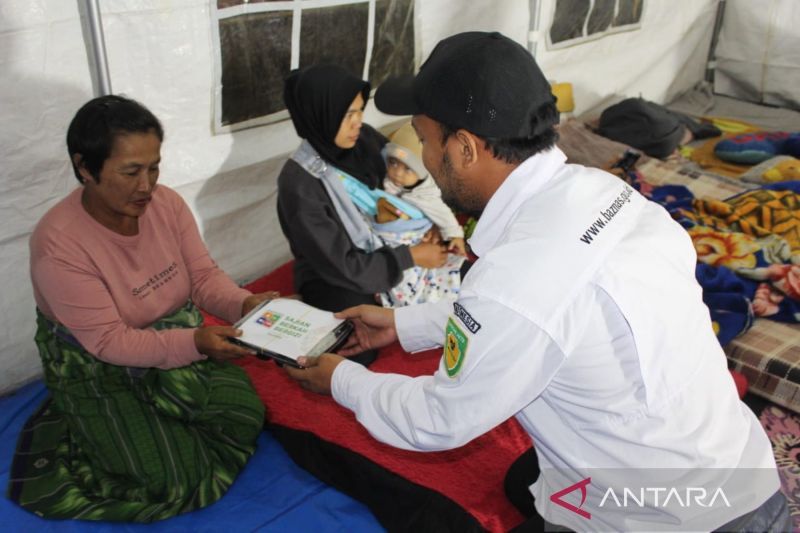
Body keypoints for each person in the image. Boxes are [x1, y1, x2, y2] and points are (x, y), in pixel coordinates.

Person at [284, 32, 789, 532]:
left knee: (539, 491)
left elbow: (439, 419)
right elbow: (535, 312)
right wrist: (403, 323)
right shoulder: (604, 191)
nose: (425, 160)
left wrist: (340, 381)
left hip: (673, 519)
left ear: (464, 148)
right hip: (737, 468)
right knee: (528, 480)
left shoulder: (520, 275)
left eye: (425, 138)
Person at [7, 95, 272, 522]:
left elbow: (203, 277)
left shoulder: (165, 205)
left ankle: (138, 419)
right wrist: (197, 343)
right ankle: (82, 420)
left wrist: (245, 303)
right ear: (85, 168)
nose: (146, 186)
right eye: (131, 172)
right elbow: (110, 341)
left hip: (174, 340)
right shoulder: (59, 245)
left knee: (244, 415)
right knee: (176, 480)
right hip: (98, 366)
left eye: (154, 167)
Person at [277, 64, 457, 364]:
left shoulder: (365, 141)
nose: (358, 122)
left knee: (462, 277)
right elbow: (341, 264)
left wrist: (431, 225)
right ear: (320, 115)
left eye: (360, 111)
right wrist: (411, 256)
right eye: (347, 115)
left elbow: (413, 183)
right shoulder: (299, 184)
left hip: (393, 242)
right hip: (336, 271)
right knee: (355, 345)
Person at [382, 122, 467, 256]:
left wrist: (455, 235)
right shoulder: (389, 180)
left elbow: (443, 214)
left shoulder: (426, 195)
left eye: (408, 169)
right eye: (393, 163)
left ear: (421, 172)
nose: (397, 173)